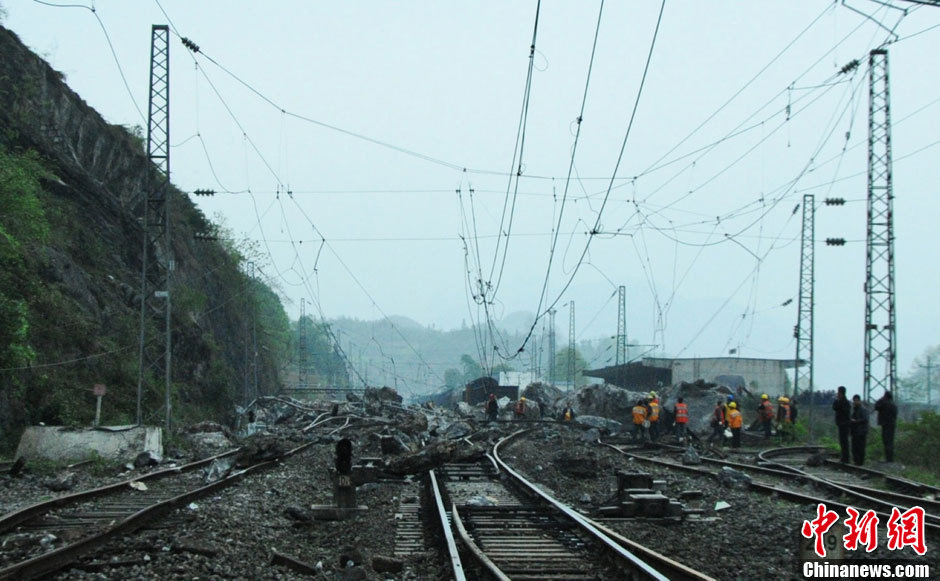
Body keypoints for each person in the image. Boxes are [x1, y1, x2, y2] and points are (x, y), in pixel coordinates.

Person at [873, 391, 898, 462]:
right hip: (892, 425)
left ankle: (888, 459)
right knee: (890, 441)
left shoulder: (883, 403)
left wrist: (881, 399)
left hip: (885, 424)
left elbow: (876, 406)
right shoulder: (894, 405)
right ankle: (890, 458)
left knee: (886, 441)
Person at [832, 386, 852, 463]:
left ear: (841, 393)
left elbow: (837, 408)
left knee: (844, 442)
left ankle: (846, 458)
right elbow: (834, 407)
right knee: (842, 441)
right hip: (841, 424)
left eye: (839, 392)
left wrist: (837, 400)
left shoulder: (845, 402)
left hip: (844, 424)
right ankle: (844, 457)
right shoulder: (840, 401)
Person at [850, 394, 870, 466]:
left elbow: (865, 419)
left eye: (855, 401)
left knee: (860, 447)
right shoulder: (855, 410)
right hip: (855, 431)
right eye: (853, 401)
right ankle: (856, 461)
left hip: (861, 432)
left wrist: (855, 421)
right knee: (855, 447)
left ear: (858, 400)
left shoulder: (863, 409)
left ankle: (860, 461)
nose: (854, 402)